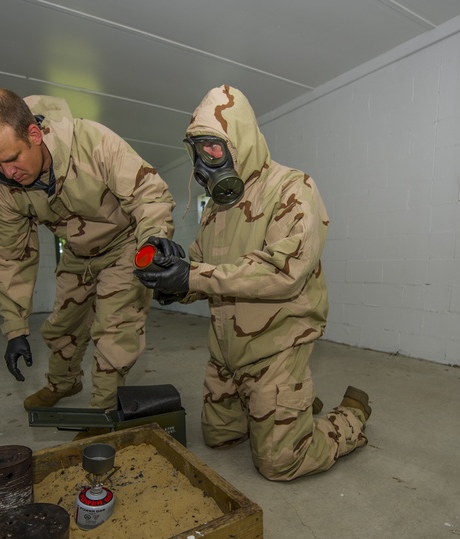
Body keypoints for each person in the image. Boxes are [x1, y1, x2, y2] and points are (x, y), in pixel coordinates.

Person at [134, 85, 371, 481]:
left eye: (212, 148)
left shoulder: (293, 188)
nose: (203, 163)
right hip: (226, 351)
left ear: (239, 141)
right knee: (219, 440)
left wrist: (192, 274)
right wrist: (173, 277)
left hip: (276, 346)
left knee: (280, 464)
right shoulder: (216, 209)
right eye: (197, 151)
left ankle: (349, 416)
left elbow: (283, 271)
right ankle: (290, 411)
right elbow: (202, 267)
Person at [0, 88, 175, 411]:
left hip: (125, 245)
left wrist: (155, 244)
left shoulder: (92, 142)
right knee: (61, 327)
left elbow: (148, 195)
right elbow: (10, 257)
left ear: (34, 134)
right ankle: (64, 384)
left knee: (113, 333)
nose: (7, 173)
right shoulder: (4, 188)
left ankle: (102, 412)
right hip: (77, 253)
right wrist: (15, 329)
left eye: (12, 158)